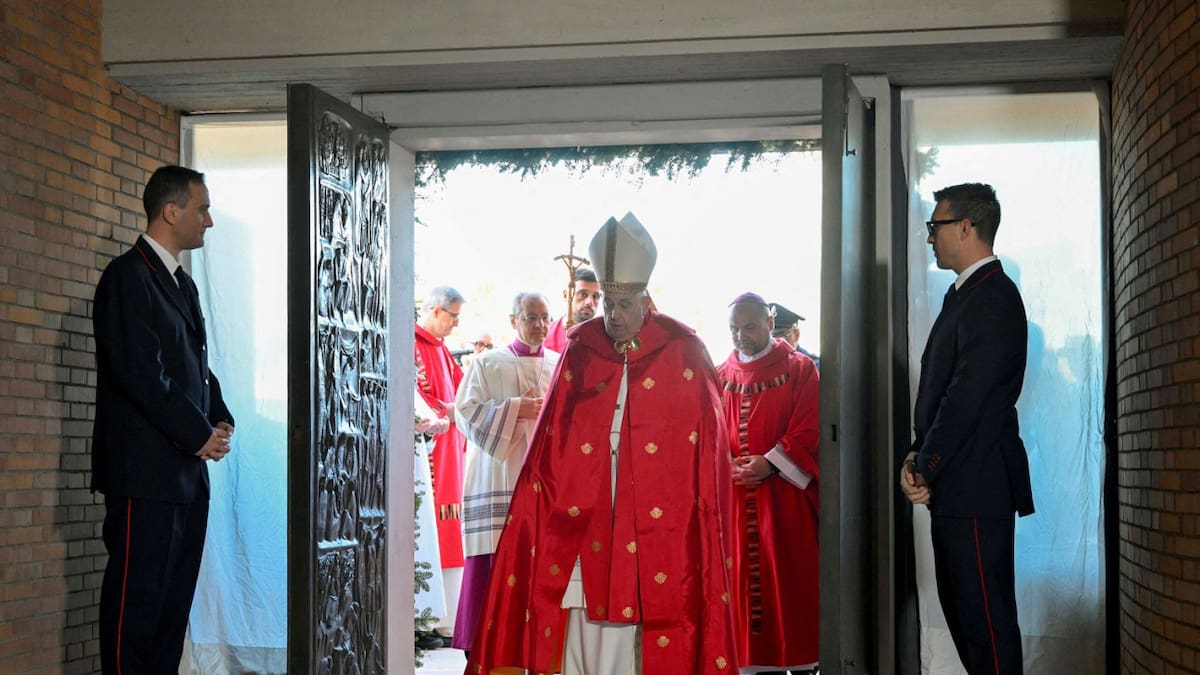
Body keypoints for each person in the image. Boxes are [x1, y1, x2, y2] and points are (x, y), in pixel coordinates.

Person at [466, 213, 739, 675]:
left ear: (647, 300)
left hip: (658, 519)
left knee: (654, 616)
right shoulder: (581, 346)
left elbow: (707, 450)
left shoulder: (684, 350)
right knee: (578, 618)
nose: (612, 315)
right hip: (584, 510)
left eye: (624, 304)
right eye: (608, 303)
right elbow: (552, 447)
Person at [91, 165, 235, 674]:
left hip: (184, 477)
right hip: (144, 476)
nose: (209, 221)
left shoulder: (181, 284)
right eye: (203, 209)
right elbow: (141, 375)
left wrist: (219, 418)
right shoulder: (126, 277)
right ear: (171, 211)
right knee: (138, 607)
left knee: (171, 609)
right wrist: (198, 434)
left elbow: (193, 364)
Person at [900, 183, 1034, 675]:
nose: (930, 238)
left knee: (986, 624)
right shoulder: (965, 295)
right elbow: (941, 399)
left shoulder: (992, 296)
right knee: (966, 619)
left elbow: (967, 397)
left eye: (935, 227)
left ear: (965, 227)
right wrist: (918, 457)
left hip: (977, 485)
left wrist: (925, 463)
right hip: (957, 485)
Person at [451, 292, 561, 655]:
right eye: (531, 317)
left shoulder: (560, 364)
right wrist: (516, 409)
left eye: (545, 318)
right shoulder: (487, 363)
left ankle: (537, 647)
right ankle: (484, 646)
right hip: (498, 474)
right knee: (494, 555)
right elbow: (464, 413)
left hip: (544, 478)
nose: (540, 326)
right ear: (513, 320)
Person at [717, 293, 820, 675]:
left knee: (789, 588)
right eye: (733, 329)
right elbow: (707, 434)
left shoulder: (799, 370)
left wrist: (771, 463)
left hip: (783, 501)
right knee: (741, 592)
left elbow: (810, 426)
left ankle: (802, 664)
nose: (740, 337)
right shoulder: (719, 376)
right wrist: (725, 463)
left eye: (749, 327)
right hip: (735, 503)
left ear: (769, 322)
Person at [415, 285, 469, 640]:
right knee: (429, 531)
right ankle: (423, 620)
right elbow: (416, 394)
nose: (456, 324)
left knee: (450, 532)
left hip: (451, 453)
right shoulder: (413, 345)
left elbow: (463, 389)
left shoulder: (442, 349)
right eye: (453, 316)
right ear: (435, 310)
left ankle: (446, 618)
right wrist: (445, 411)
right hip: (429, 453)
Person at [544, 267, 601, 353]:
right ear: (566, 295)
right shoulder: (545, 335)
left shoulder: (605, 338)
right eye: (583, 294)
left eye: (595, 296)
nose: (589, 302)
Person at [769, 303, 820, 369]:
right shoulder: (760, 365)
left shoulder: (813, 367)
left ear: (796, 335)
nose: (774, 343)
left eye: (780, 337)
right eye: (769, 338)